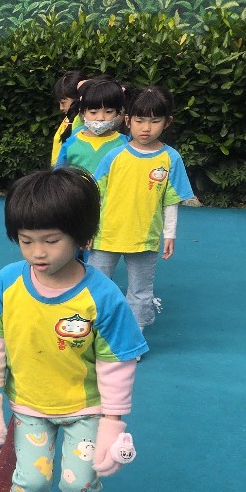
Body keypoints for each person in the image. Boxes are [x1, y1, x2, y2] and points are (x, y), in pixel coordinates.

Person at [0, 168, 148, 492]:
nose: (38, 252)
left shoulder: (102, 296)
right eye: (26, 240)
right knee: (30, 478)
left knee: (80, 482)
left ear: (83, 237)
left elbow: (117, 363)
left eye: (51, 240)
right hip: (30, 405)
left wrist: (113, 422)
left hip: (86, 408)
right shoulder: (7, 282)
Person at [89, 85, 198, 334]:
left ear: (167, 122)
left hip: (144, 238)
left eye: (155, 121)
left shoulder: (171, 158)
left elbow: (171, 200)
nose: (146, 128)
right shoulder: (113, 156)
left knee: (140, 290)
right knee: (97, 284)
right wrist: (88, 229)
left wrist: (169, 234)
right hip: (105, 235)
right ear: (128, 121)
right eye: (139, 121)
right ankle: (94, 329)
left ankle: (134, 334)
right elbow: (95, 196)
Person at [55, 76, 127, 176]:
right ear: (82, 113)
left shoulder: (126, 143)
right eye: (93, 112)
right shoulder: (70, 144)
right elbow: (59, 178)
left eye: (108, 112)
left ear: (118, 112)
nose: (100, 118)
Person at [50, 69, 87, 166]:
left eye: (63, 103)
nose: (61, 108)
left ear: (78, 99)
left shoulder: (84, 122)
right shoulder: (69, 119)